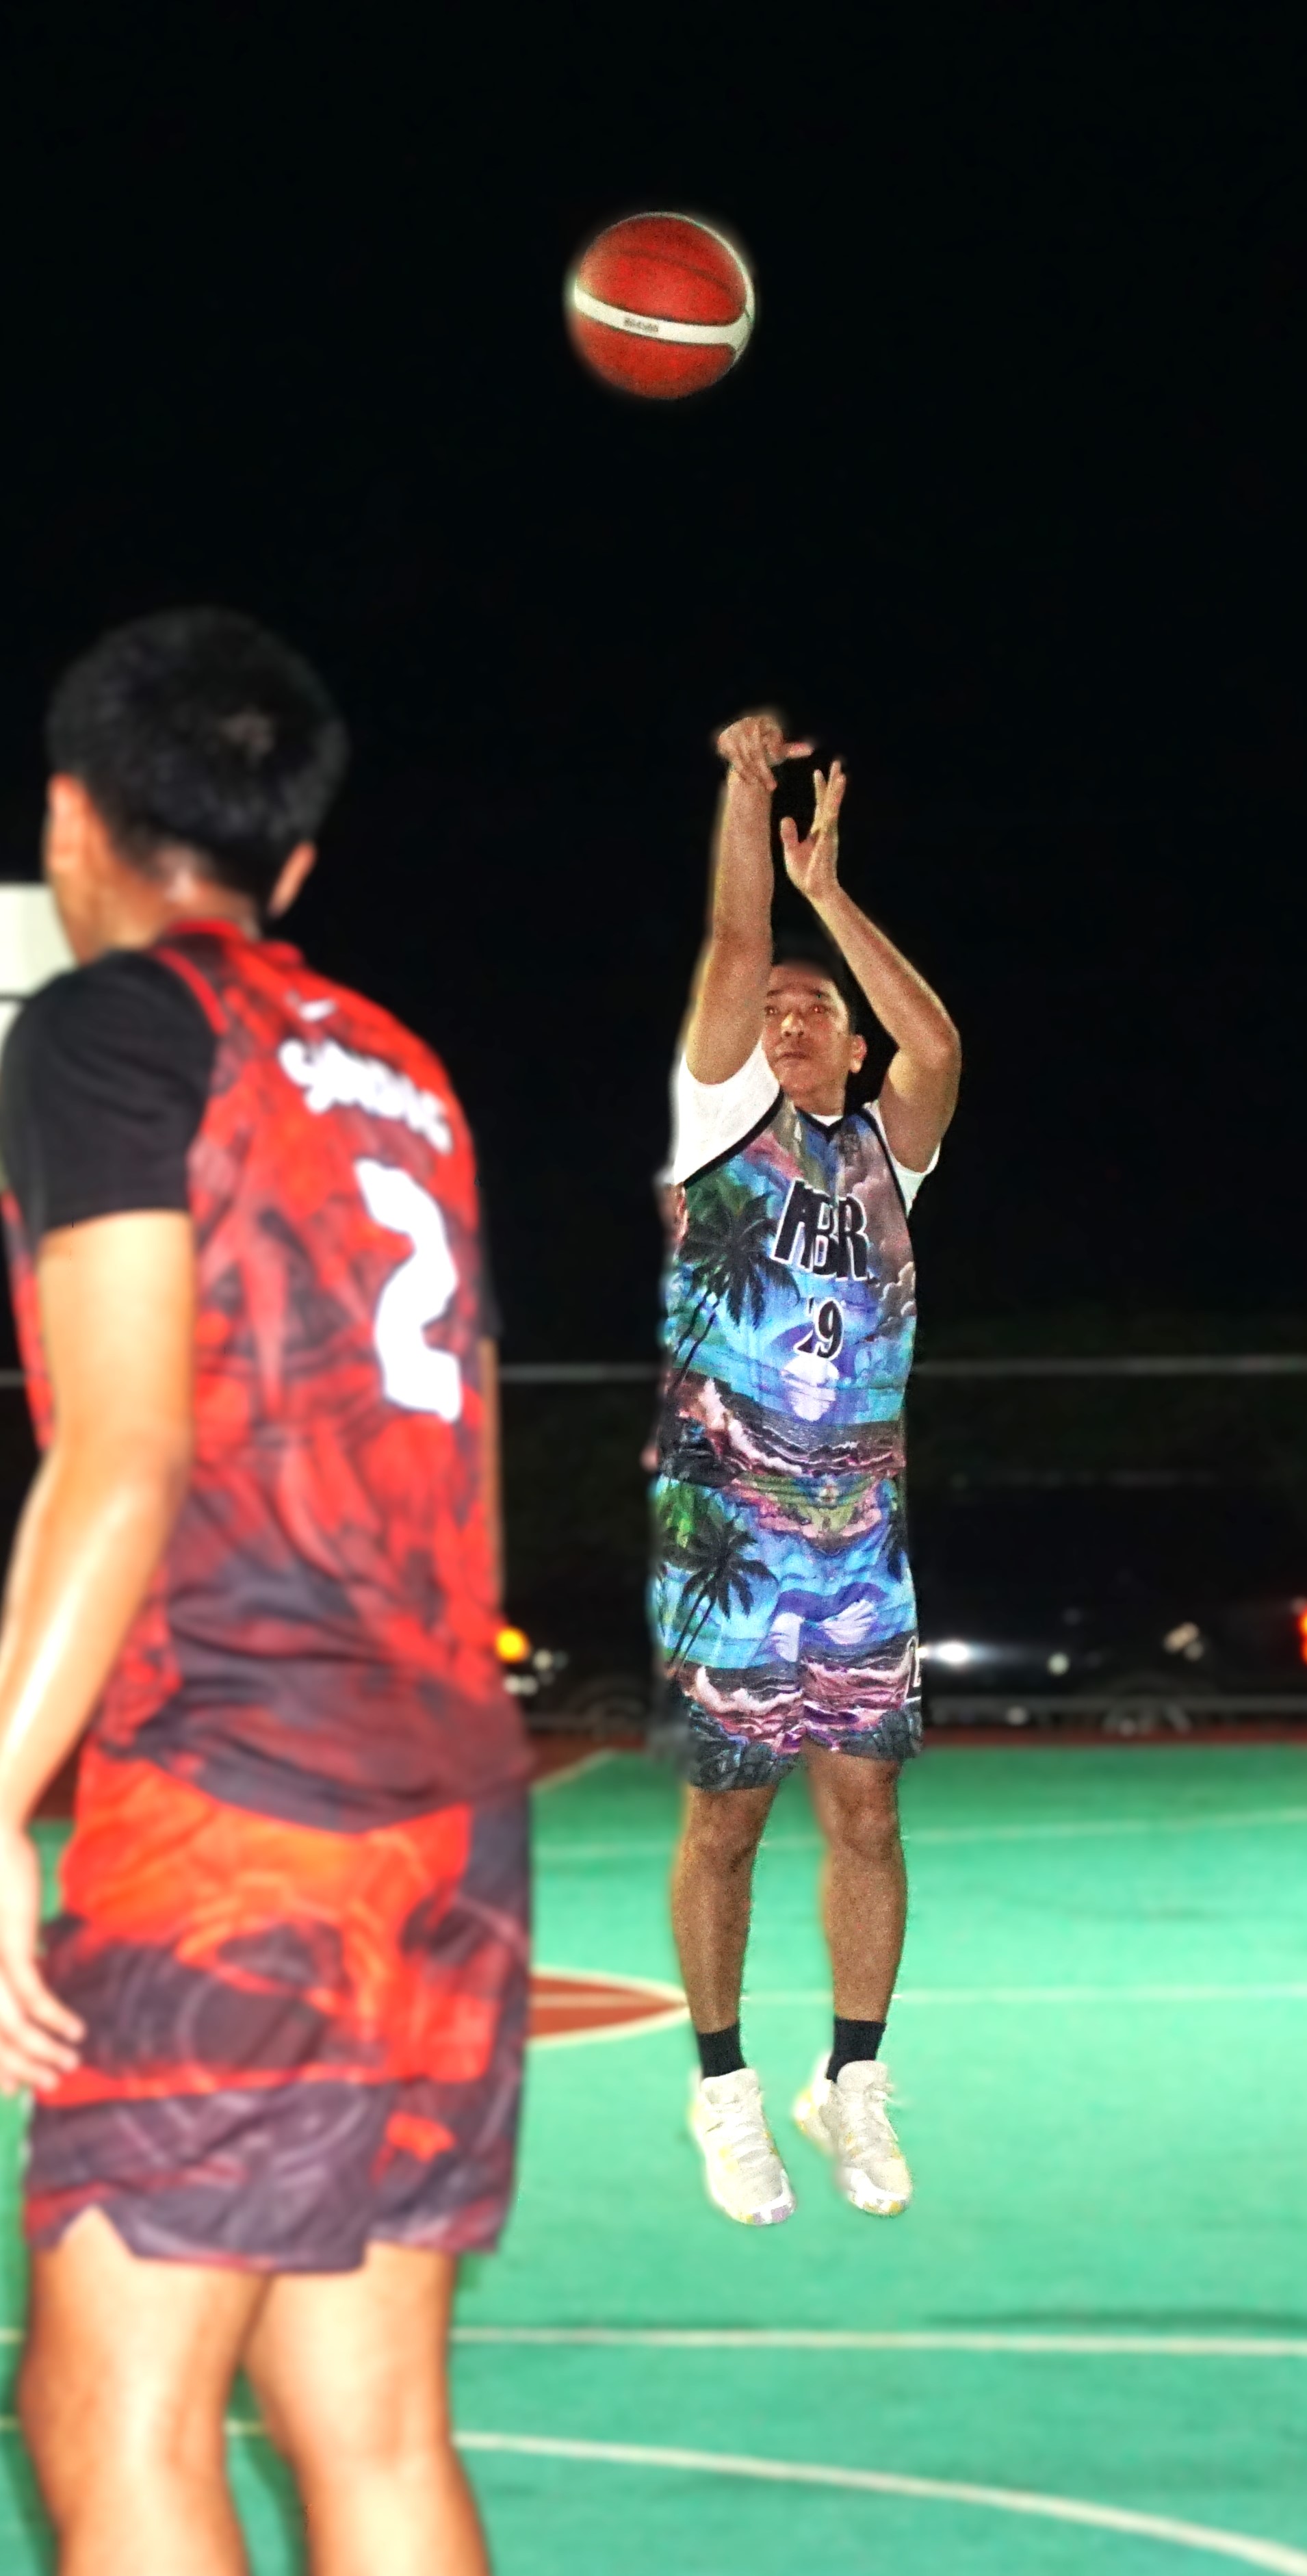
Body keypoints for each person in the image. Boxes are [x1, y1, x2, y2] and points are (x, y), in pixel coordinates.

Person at [0, 608, 527, 2575]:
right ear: (292, 862)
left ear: (73, 820)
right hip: (450, 1814)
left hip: (241, 1803)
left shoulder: (115, 1024)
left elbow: (120, 1449)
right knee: (370, 2426)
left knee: (116, 2424)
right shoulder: (399, 1064)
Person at [652, 711, 960, 2226]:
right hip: (728, 1524)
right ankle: (721, 2089)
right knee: (727, 1817)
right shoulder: (721, 1121)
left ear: (849, 1043)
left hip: (860, 1537)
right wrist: (746, 795)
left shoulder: (887, 1152)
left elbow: (944, 1048)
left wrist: (835, 897)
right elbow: (728, 932)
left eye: (808, 1009)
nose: (780, 1018)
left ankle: (850, 2077)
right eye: (767, 1006)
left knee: (868, 1814)